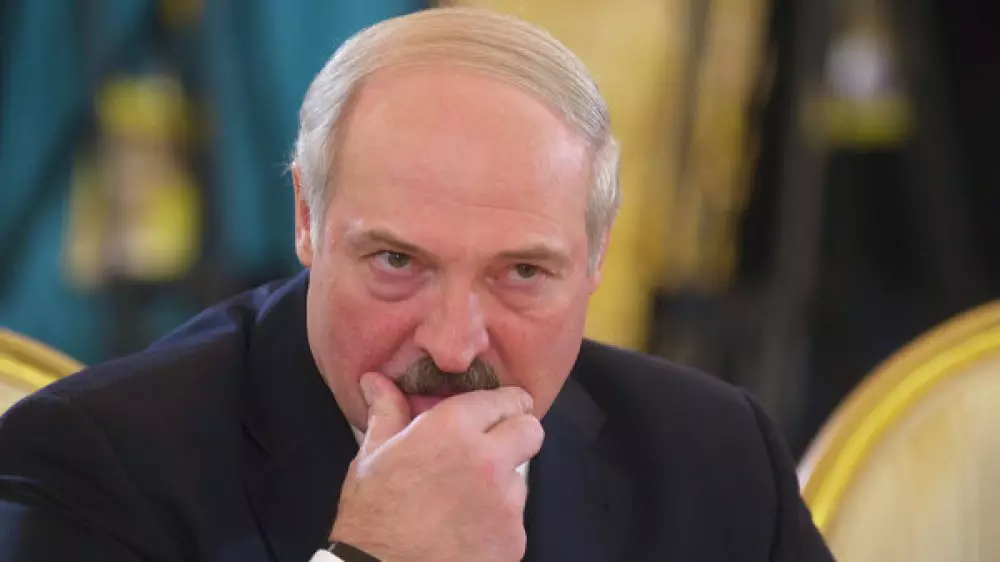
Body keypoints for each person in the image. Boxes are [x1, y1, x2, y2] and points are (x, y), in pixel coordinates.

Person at [0, 7, 834, 562]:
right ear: (307, 219)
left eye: (522, 273)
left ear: (596, 255)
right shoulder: (92, 464)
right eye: (398, 262)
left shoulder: (716, 456)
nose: (453, 344)